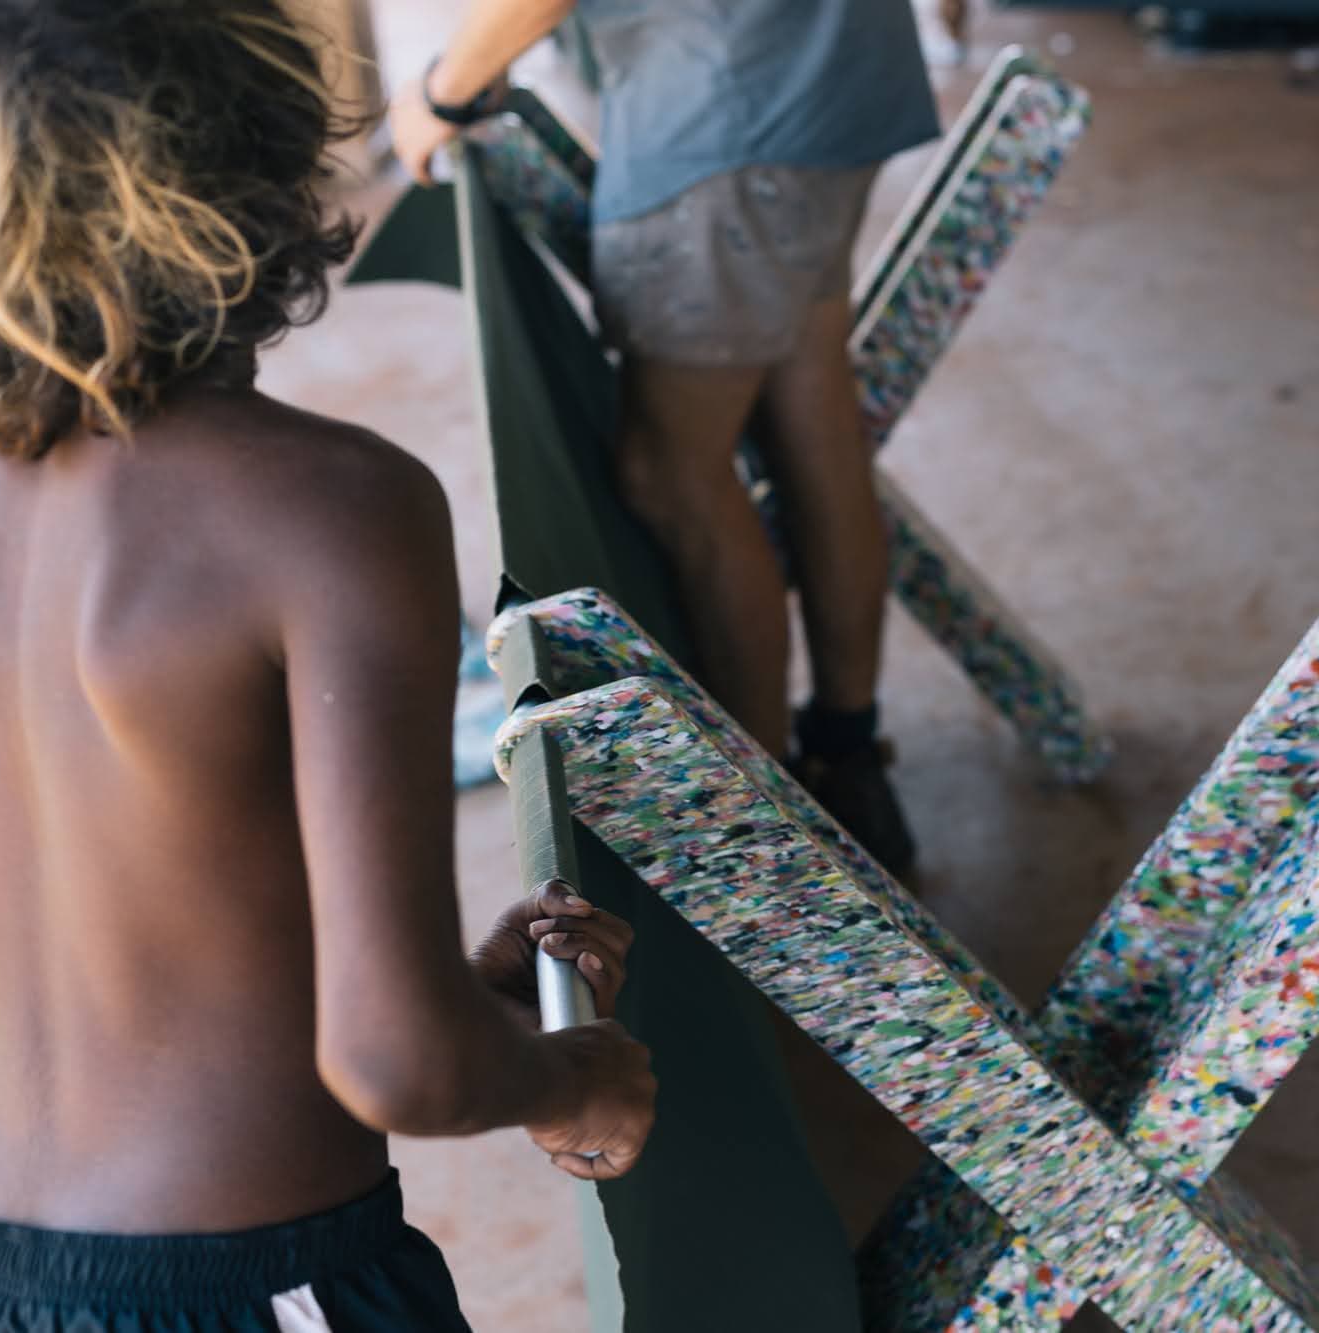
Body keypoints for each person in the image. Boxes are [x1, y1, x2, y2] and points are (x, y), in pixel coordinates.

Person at [0, 3, 657, 1327]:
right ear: (255, 172)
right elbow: (395, 1060)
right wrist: (573, 1077)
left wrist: (471, 998)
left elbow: (84, 954)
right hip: (248, 1283)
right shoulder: (329, 509)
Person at [391, 0, 941, 874]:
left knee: (672, 475)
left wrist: (443, 93)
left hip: (730, 112)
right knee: (812, 418)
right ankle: (848, 749)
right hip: (832, 77)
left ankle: (768, 838)